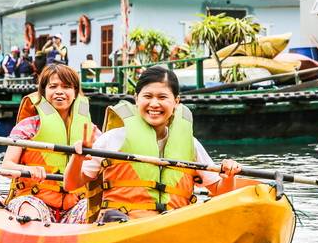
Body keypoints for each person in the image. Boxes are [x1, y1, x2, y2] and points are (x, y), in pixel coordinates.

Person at [65, 65, 243, 224]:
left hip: (173, 225)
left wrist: (229, 176)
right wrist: (77, 158)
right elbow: (71, 185)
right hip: (121, 225)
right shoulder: (113, 139)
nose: (154, 104)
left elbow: (219, 192)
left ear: (176, 101)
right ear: (136, 99)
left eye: (162, 97)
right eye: (147, 96)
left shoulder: (191, 145)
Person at [1, 64, 100, 224]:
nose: (59, 91)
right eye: (53, 86)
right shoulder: (28, 127)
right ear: (44, 92)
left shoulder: (90, 131)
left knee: (93, 211)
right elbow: (6, 166)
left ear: (75, 93)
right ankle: (33, 232)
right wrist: (28, 169)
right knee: (30, 210)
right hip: (33, 200)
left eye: (66, 86)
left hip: (75, 204)